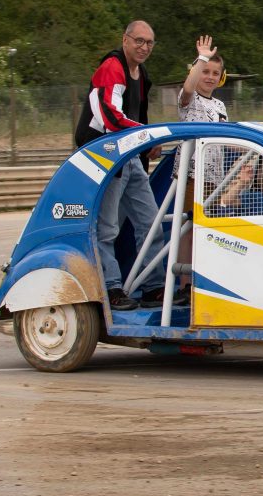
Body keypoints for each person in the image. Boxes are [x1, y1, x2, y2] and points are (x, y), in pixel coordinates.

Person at [74, 20, 185, 311]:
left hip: (130, 154)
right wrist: (149, 136)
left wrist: (148, 139)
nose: (144, 47)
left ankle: (154, 288)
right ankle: (110, 288)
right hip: (106, 156)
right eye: (139, 41)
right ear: (125, 39)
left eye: (149, 43)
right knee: (107, 228)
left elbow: (139, 114)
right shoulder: (112, 67)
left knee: (150, 224)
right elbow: (111, 117)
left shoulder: (142, 74)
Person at [173, 35, 228, 295]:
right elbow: (187, 88)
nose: (209, 76)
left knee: (210, 228)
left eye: (215, 73)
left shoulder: (220, 105)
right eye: (205, 71)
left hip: (214, 178)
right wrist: (202, 57)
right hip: (191, 173)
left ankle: (208, 279)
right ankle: (185, 282)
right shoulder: (190, 98)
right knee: (190, 225)